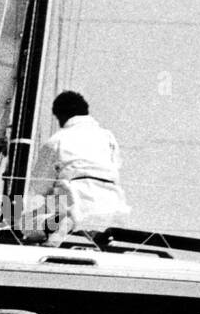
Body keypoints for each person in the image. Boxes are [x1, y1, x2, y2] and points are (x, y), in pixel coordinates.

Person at [27, 90, 131, 246]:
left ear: (61, 116)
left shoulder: (56, 140)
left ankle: (60, 224)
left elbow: (40, 185)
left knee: (27, 224)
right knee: (93, 218)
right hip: (112, 208)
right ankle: (95, 234)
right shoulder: (108, 137)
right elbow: (116, 165)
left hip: (74, 205)